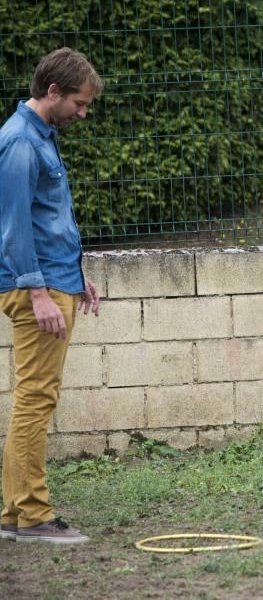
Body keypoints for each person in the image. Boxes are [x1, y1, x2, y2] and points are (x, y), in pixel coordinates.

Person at [0, 47, 103, 544]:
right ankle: (36, 517)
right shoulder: (20, 142)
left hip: (57, 280)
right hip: (35, 290)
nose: (83, 114)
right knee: (35, 402)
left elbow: (48, 219)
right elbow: (14, 226)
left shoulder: (40, 135)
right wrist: (39, 291)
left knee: (33, 399)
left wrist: (75, 275)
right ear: (54, 91)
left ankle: (14, 515)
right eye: (79, 104)